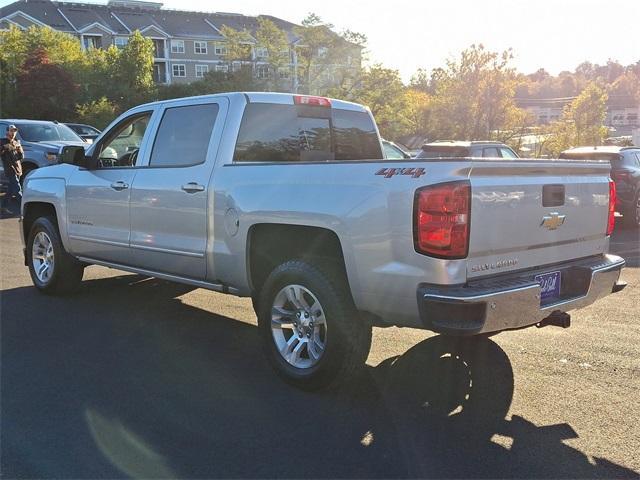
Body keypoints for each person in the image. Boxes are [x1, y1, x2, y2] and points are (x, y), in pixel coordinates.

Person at [1, 125, 24, 215]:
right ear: (7, 132)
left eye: (15, 131)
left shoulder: (16, 142)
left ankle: (3, 207)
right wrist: (4, 148)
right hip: (10, 169)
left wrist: (19, 149)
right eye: (11, 130)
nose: (13, 132)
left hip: (18, 169)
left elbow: (21, 157)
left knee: (10, 190)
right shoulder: (2, 141)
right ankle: (25, 209)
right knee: (17, 189)